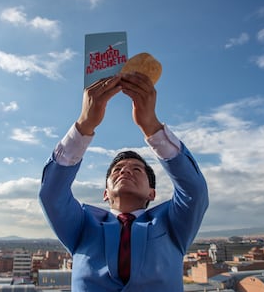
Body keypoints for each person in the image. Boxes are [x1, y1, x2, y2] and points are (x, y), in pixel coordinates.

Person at [39, 72, 209, 292]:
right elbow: (51, 195)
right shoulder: (81, 226)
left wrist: (152, 127)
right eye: (117, 169)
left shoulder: (172, 224)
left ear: (152, 193)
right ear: (105, 193)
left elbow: (194, 190)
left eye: (137, 169)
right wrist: (83, 125)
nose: (125, 171)